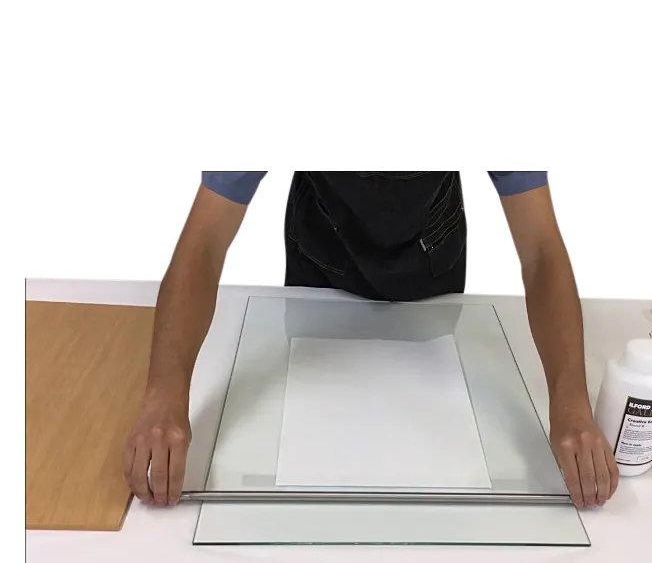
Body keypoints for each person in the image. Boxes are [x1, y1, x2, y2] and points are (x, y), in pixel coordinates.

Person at [124, 172, 619, 509]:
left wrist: (571, 407)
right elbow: (204, 242)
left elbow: (541, 250)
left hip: (429, 259)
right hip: (321, 255)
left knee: (433, 432)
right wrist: (164, 398)